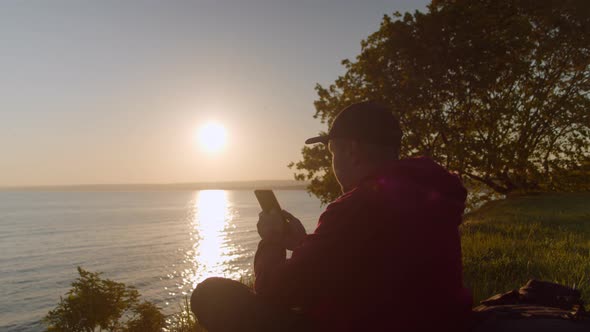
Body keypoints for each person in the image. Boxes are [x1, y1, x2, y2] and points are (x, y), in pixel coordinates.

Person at [190, 101, 473, 331]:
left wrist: (272, 240)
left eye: (332, 152)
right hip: (437, 321)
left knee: (211, 294)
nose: (332, 165)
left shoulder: (358, 207)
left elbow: (275, 291)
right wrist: (305, 246)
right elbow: (374, 265)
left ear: (351, 150)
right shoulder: (427, 193)